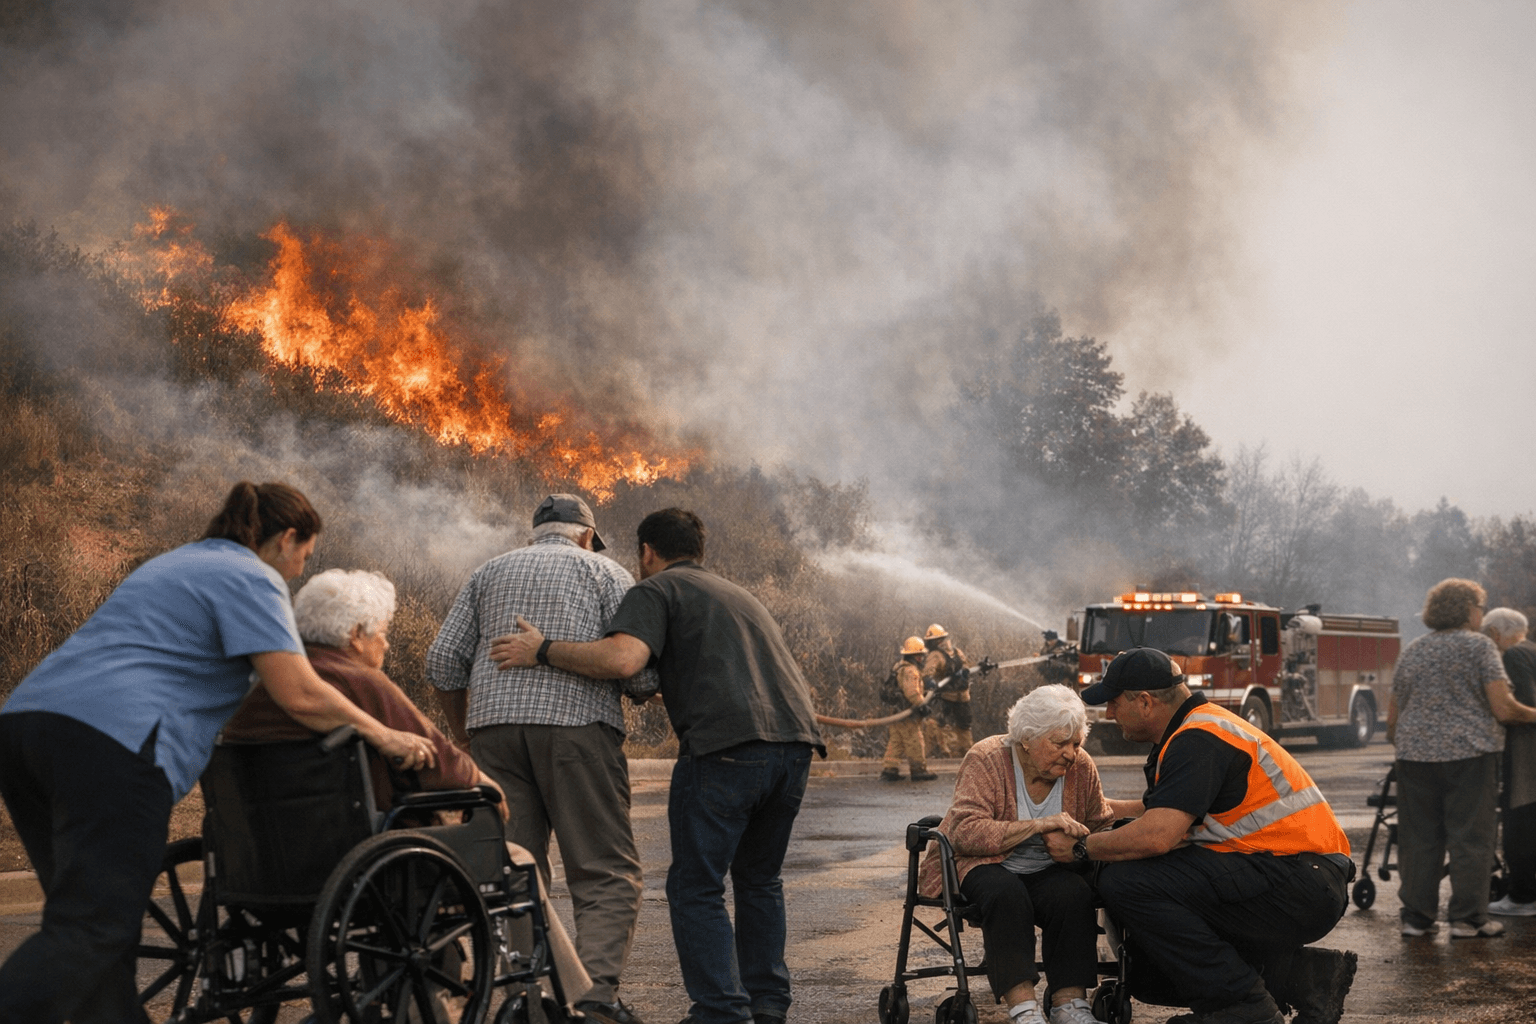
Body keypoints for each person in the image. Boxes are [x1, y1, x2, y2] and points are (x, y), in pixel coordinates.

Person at [0, 482, 434, 1024]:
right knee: (95, 929)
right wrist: (385, 734)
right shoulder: (252, 577)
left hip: (27, 727)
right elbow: (298, 691)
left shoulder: (175, 564)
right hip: (114, 741)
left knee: (99, 934)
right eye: (305, 554)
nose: (299, 571)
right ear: (288, 538)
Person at [488, 507, 825, 1024]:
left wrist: (543, 650)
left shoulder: (657, 590)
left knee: (695, 886)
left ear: (647, 552)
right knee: (759, 882)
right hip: (794, 747)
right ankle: (767, 1006)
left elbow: (623, 660)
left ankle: (720, 1011)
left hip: (726, 751)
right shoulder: (738, 595)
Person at [222, 567, 593, 1007]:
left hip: (263, 870)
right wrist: (488, 787)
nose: (386, 643)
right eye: (382, 633)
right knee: (518, 860)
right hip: (374, 866)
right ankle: (567, 1001)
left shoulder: (266, 688)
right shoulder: (356, 680)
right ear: (356, 634)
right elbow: (445, 766)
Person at [426, 494, 649, 1024]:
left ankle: (527, 996)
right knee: (604, 870)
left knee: (513, 869)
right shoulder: (606, 572)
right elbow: (636, 673)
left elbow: (442, 662)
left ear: (535, 535)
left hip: (494, 736)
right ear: (588, 535)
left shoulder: (489, 571)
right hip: (577, 734)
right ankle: (594, 1002)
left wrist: (464, 735)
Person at [1044, 648, 1357, 1024]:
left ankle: (1242, 1008)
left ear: (1144, 702)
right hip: (1302, 877)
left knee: (1128, 881)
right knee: (1147, 877)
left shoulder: (1198, 738)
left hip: (1297, 883)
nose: (1109, 714)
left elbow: (1158, 835)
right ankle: (1303, 979)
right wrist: (1100, 811)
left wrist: (1080, 848)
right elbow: (1171, 809)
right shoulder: (1200, 725)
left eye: (1113, 702)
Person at [917, 685, 1124, 1024]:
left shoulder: (1081, 767)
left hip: (1047, 868)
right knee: (1006, 894)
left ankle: (1069, 1006)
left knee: (1073, 895)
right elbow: (964, 832)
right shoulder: (986, 758)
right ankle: (1024, 1009)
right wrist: (1038, 825)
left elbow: (1099, 823)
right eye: (1060, 744)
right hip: (986, 863)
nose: (1071, 754)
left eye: (1076, 744)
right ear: (1027, 739)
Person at [1388, 579, 1536, 939]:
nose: (1481, 615)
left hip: (1413, 758)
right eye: (1480, 608)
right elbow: (1503, 708)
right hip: (1470, 755)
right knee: (1470, 837)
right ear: (1470, 610)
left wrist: (1413, 741)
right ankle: (1468, 919)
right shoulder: (1480, 647)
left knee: (1419, 839)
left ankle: (1417, 919)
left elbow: (1392, 721)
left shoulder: (1414, 650)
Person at [1482, 607, 1536, 916]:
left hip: (1525, 754)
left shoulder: (1514, 656)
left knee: (1520, 825)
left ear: (1494, 633)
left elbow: (1523, 705)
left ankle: (1522, 896)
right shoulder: (1532, 650)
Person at [882, 636, 938, 782]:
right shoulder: (911, 671)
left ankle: (890, 769)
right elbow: (912, 692)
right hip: (908, 713)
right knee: (915, 740)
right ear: (913, 655)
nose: (921, 658)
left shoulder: (899, 666)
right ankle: (918, 770)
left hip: (896, 712)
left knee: (896, 741)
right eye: (919, 655)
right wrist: (922, 704)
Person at [923, 623, 975, 757]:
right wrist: (930, 681)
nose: (940, 643)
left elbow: (966, 664)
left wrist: (965, 671)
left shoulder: (957, 652)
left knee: (964, 723)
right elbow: (928, 673)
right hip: (945, 696)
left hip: (962, 695)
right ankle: (944, 751)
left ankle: (966, 751)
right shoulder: (935, 655)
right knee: (941, 723)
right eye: (936, 641)